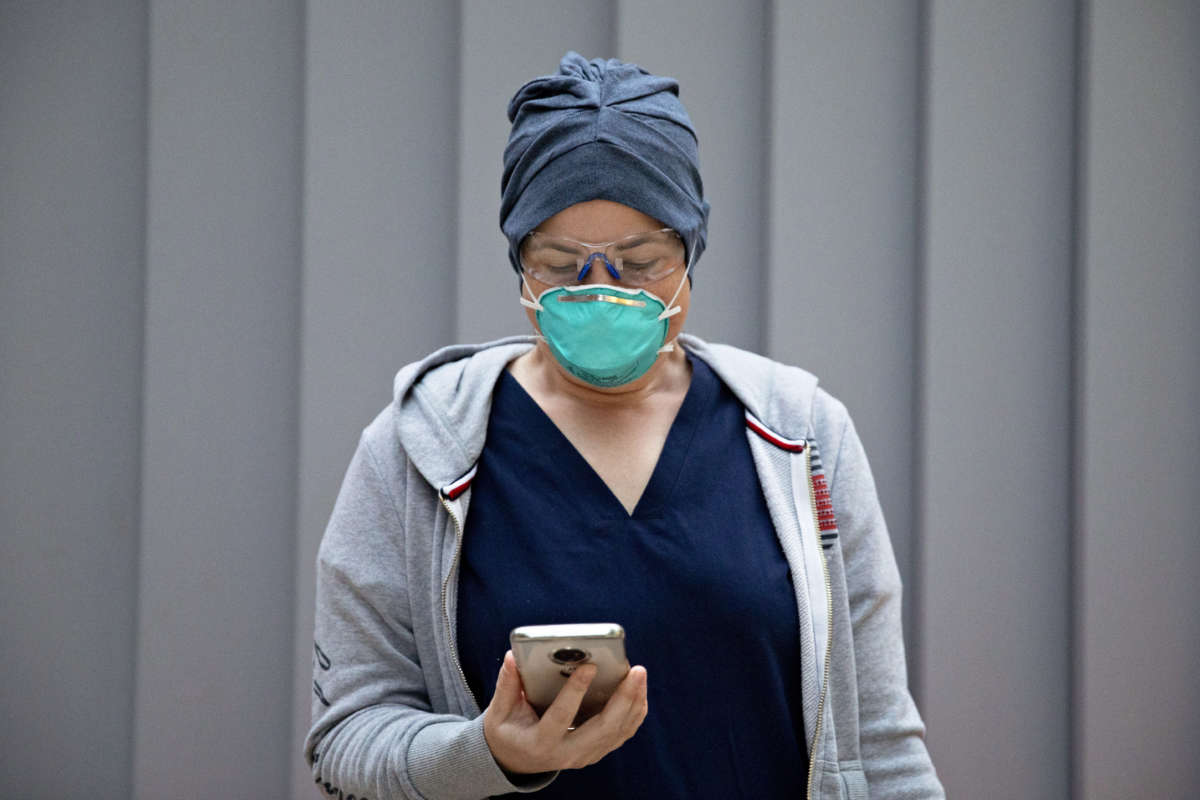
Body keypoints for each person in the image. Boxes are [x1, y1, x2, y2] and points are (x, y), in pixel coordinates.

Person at [305, 52, 943, 800]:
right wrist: (491, 753)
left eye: (639, 263)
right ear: (519, 265)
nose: (601, 294)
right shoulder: (417, 450)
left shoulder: (799, 436)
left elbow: (879, 744)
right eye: (561, 263)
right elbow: (347, 741)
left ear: (689, 254)